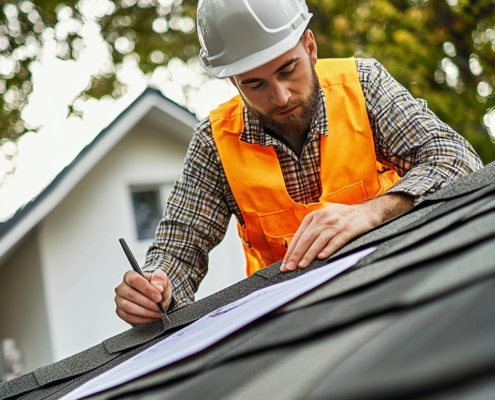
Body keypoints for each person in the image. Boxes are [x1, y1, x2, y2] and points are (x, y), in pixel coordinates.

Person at [114, 0, 483, 325]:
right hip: (293, 326)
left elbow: (457, 159)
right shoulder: (214, 143)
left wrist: (370, 213)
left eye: (288, 69)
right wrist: (155, 288)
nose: (280, 96)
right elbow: (177, 251)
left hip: (403, 287)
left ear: (310, 46)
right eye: (254, 84)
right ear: (235, 84)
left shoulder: (363, 85)